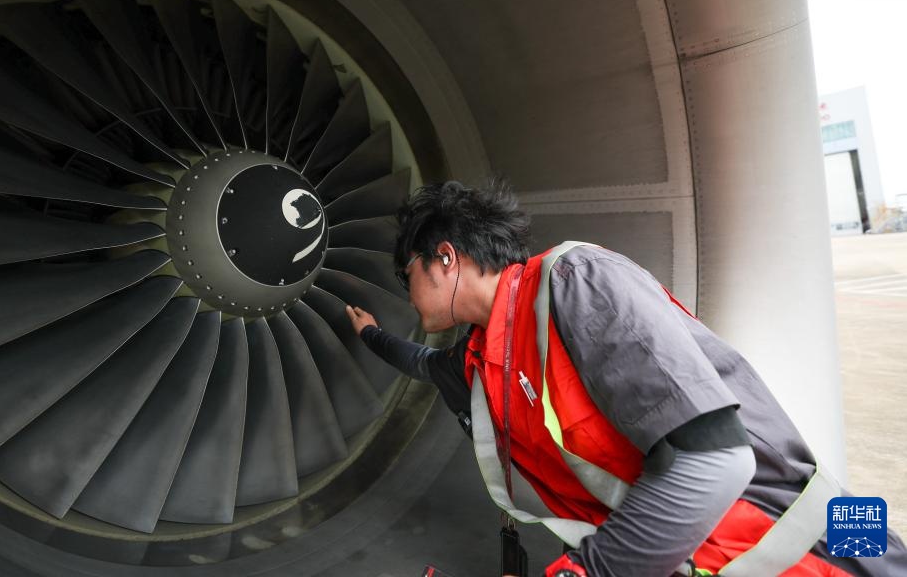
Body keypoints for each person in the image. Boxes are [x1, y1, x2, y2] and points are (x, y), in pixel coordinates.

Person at [344, 180, 906, 577]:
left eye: (406, 272)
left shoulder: (576, 281)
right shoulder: (478, 361)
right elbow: (417, 362)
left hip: (823, 549)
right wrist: (369, 334)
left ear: (445, 258)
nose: (405, 290)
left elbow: (716, 459)